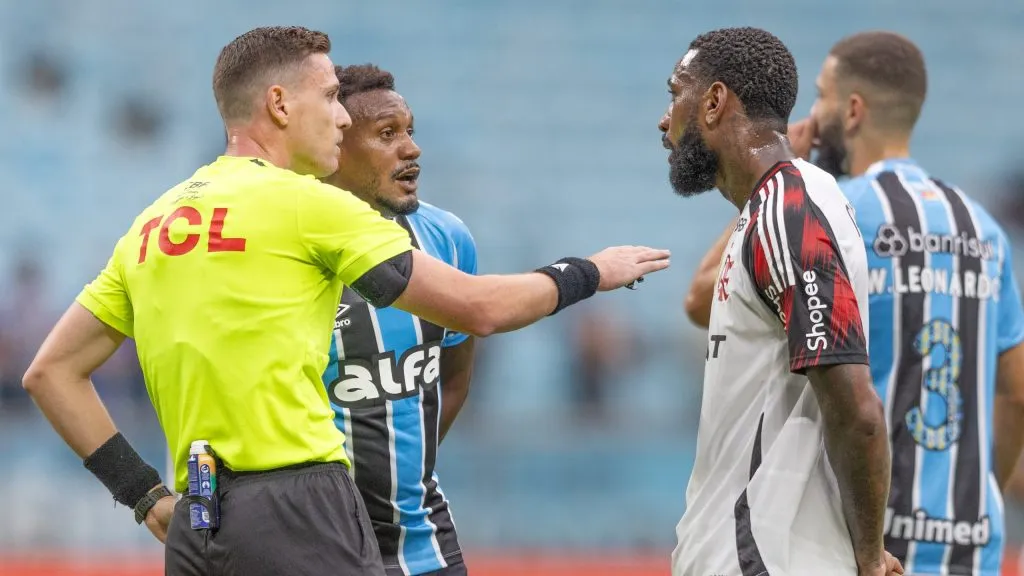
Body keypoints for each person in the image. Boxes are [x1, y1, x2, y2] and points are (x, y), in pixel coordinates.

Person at [20, 26, 670, 576]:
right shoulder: (306, 202)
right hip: (296, 502)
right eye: (330, 96)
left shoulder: (154, 224)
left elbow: (50, 372)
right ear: (279, 103)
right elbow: (478, 310)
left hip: (199, 503)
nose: (339, 114)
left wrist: (142, 495)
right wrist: (590, 271)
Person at [684, 30, 1024, 576]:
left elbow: (703, 299)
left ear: (853, 110)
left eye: (821, 96)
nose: (813, 113)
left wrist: (777, 173)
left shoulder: (833, 211)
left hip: (868, 536)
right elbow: (1015, 393)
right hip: (971, 536)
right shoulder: (983, 230)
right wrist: (980, 494)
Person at [660, 27, 901, 576]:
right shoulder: (774, 208)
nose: (664, 118)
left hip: (764, 555)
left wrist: (868, 557)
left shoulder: (788, 213)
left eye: (675, 93)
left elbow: (857, 410)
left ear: (716, 101)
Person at [320, 63, 476, 576]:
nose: (412, 149)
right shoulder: (287, 248)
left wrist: (403, 477)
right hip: (313, 542)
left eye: (410, 131)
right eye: (388, 135)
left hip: (423, 544)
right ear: (335, 145)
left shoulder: (448, 239)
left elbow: (452, 380)